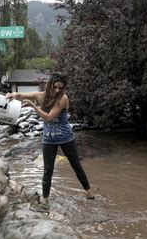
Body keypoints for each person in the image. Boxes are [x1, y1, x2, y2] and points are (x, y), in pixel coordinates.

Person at [6, 72, 95, 204]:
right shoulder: (41, 96)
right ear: (50, 85)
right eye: (55, 87)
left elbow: (49, 117)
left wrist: (34, 106)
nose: (58, 90)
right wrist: (13, 95)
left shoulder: (63, 98)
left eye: (61, 88)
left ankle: (89, 193)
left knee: (76, 165)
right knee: (48, 169)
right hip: (48, 139)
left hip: (66, 138)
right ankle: (45, 199)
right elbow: (22, 95)